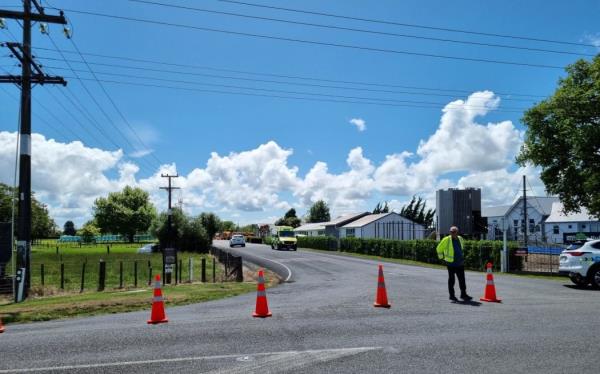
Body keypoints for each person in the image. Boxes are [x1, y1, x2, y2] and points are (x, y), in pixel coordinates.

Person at [436, 226, 472, 302]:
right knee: (452, 280)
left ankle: (463, 294)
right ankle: (452, 296)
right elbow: (439, 248)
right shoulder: (446, 239)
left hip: (460, 263)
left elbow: (462, 248)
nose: (452, 233)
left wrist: (462, 257)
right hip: (451, 263)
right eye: (451, 232)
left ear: (457, 232)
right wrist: (441, 257)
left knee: (462, 280)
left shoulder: (460, 238)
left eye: (454, 231)